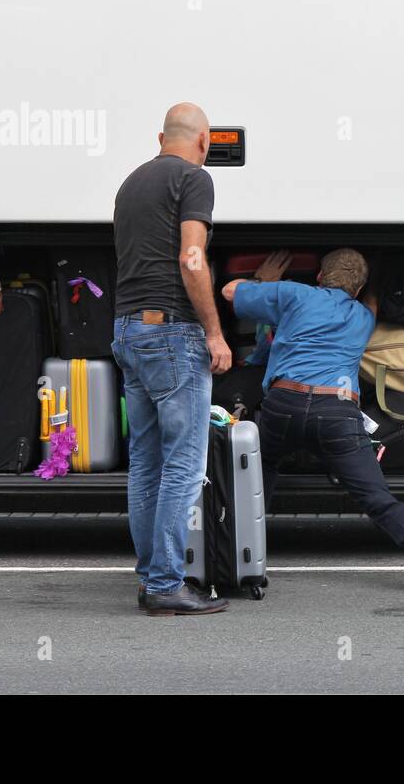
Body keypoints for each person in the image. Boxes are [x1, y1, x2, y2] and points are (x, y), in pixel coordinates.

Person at [222, 249, 404, 589]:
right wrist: (373, 282)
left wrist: (264, 282)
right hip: (337, 413)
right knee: (378, 499)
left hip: (284, 403)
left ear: (319, 276)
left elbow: (229, 291)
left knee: (257, 481)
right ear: (359, 289)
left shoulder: (295, 293)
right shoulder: (363, 316)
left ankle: (236, 557)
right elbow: (374, 305)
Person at [111, 102, 233, 616]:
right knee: (183, 462)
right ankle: (165, 584)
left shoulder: (131, 183)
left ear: (161, 136)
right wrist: (214, 332)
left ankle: (151, 577)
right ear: (204, 142)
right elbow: (190, 257)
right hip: (172, 334)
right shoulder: (193, 179)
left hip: (127, 330)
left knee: (146, 461)